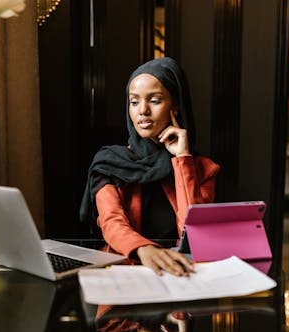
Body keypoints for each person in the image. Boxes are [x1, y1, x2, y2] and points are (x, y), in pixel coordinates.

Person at [80, 57, 220, 277]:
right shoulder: (108, 163)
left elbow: (194, 235)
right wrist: (144, 249)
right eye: (134, 102)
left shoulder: (202, 169)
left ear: (176, 104)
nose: (142, 111)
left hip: (183, 276)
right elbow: (111, 222)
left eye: (154, 101)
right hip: (127, 275)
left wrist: (183, 158)